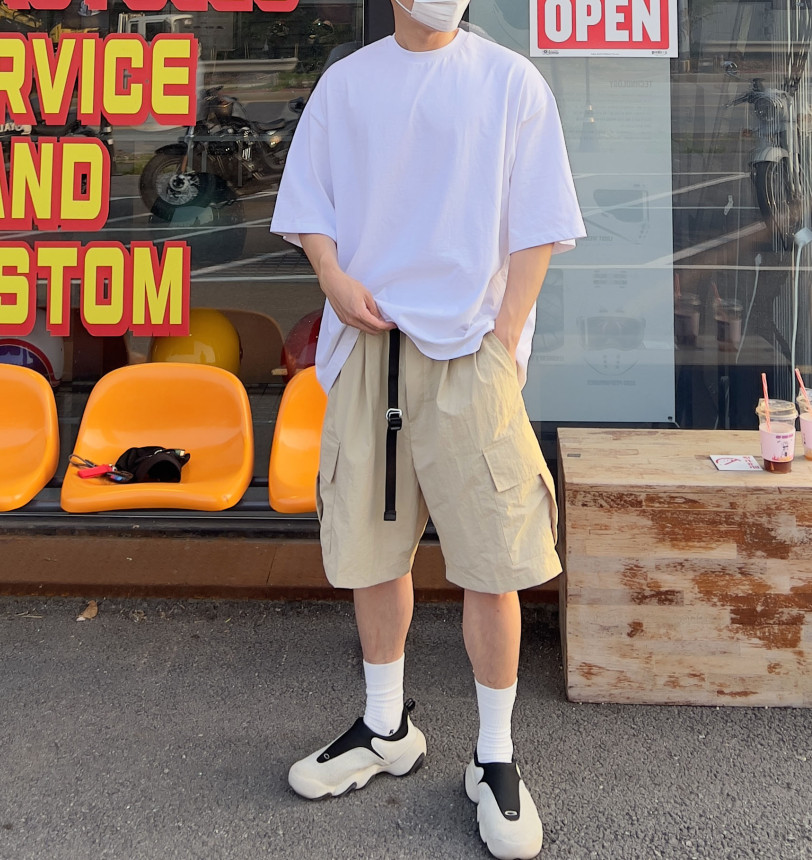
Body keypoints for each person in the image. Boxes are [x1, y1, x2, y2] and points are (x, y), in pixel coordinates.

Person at [270, 1, 585, 858]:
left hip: (471, 350)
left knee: (495, 558)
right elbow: (309, 205)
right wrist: (331, 276)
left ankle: (495, 755)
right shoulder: (347, 84)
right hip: (369, 345)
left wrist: (504, 340)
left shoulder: (510, 81)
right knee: (373, 547)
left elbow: (539, 224)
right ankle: (385, 727)